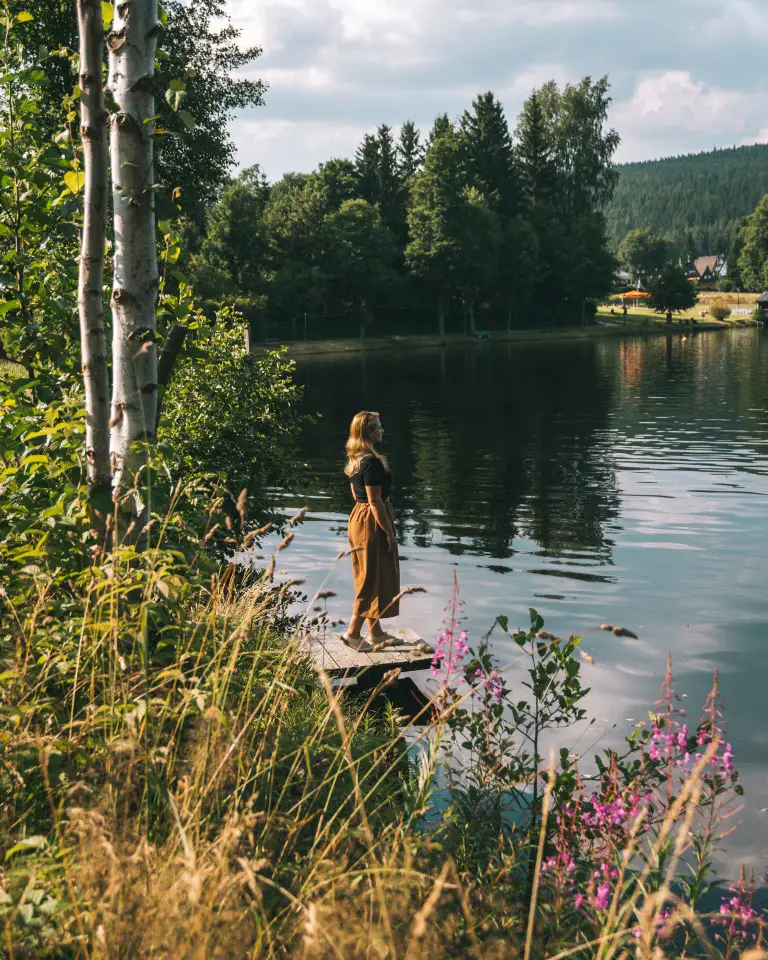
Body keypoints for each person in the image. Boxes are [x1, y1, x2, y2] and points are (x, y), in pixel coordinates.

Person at [342, 411, 400, 651]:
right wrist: (390, 533)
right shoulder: (372, 462)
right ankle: (353, 634)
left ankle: (375, 633)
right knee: (370, 578)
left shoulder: (356, 459)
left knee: (369, 574)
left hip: (358, 516)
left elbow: (358, 495)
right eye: (378, 427)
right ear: (368, 432)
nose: (382, 430)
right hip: (371, 519)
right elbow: (375, 502)